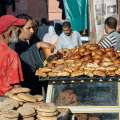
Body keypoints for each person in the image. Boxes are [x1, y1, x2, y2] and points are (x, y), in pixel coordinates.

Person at [10, 14, 53, 94]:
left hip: (37, 84)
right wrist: (37, 46)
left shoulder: (33, 39)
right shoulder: (14, 45)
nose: (32, 31)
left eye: (33, 28)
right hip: (25, 87)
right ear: (19, 29)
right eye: (28, 28)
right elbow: (21, 60)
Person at [0, 15, 26, 98]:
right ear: (10, 32)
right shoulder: (11, 55)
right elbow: (17, 88)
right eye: (17, 30)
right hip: (6, 101)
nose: (20, 32)